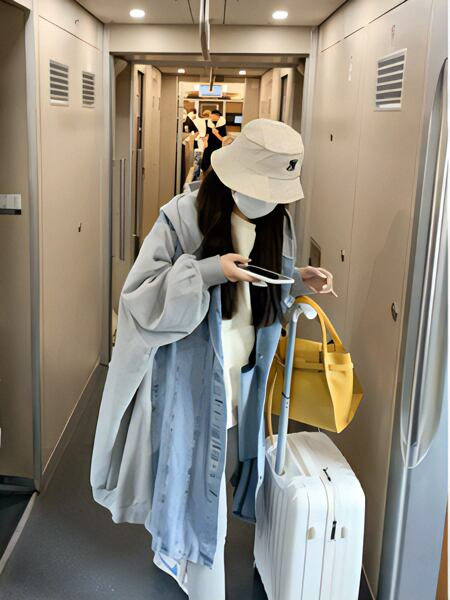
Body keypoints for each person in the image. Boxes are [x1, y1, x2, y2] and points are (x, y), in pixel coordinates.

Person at [90, 118, 335, 599]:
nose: (266, 201)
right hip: (190, 376)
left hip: (242, 376)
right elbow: (140, 297)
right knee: (197, 478)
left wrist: (298, 280)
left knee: (205, 474)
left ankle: (176, 554)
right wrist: (207, 271)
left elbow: (262, 296)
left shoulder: (278, 223)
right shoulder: (182, 217)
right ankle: (198, 574)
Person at [201, 109, 227, 174]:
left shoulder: (222, 124)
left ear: (217, 116)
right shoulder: (209, 123)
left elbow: (223, 139)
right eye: (211, 116)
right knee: (205, 159)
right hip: (209, 144)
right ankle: (204, 172)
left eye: (212, 116)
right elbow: (207, 134)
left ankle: (217, 173)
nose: (211, 117)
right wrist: (205, 141)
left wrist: (216, 133)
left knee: (217, 160)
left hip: (218, 145)